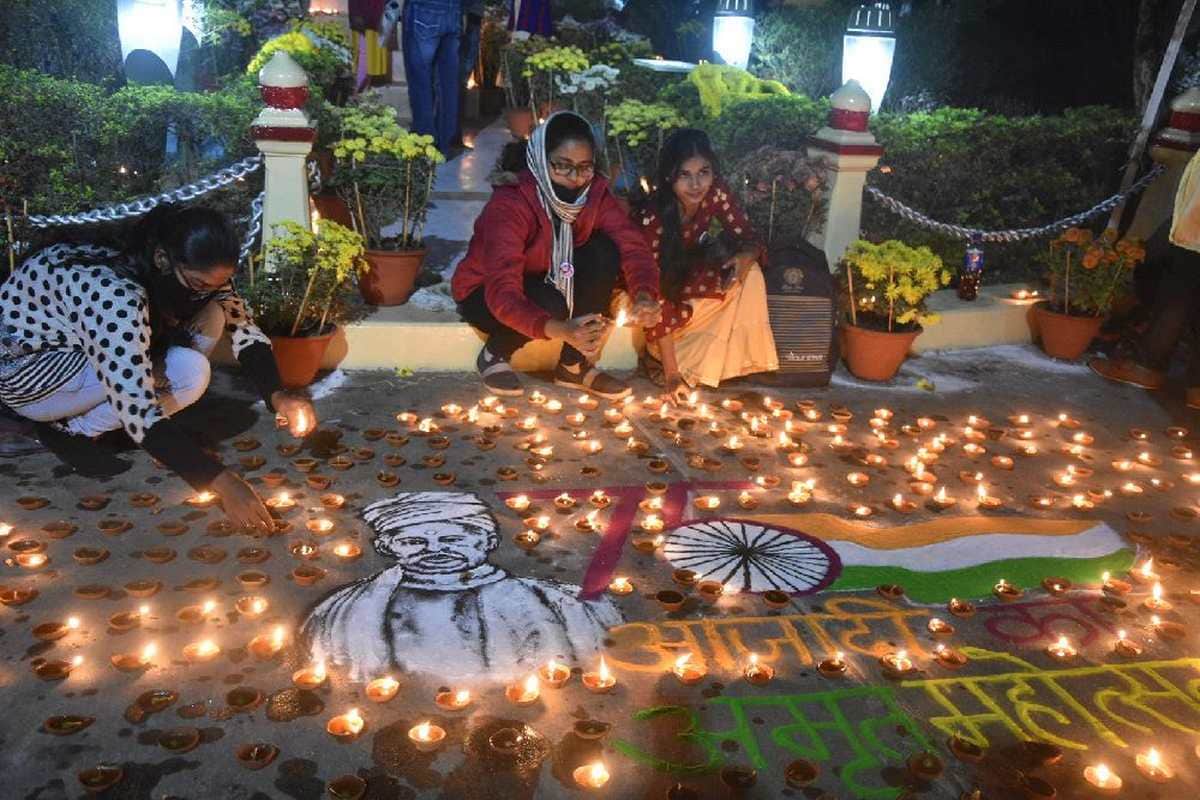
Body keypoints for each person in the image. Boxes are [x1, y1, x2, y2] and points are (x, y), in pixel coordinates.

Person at [0, 205, 315, 532]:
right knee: (188, 373)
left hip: (80, 350)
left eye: (215, 284)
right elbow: (138, 410)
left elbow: (243, 328)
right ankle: (70, 430)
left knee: (215, 314)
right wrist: (222, 482)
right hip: (29, 376)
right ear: (163, 260)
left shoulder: (181, 264)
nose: (205, 291)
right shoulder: (114, 293)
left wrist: (278, 396)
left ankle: (101, 425)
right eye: (196, 284)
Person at [301, 491, 623, 681]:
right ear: (387, 548)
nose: (435, 550)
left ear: (488, 541)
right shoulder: (341, 610)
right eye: (413, 541)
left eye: (452, 539)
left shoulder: (559, 603)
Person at [452, 111, 663, 399]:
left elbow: (632, 246)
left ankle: (573, 366)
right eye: (563, 167)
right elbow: (502, 290)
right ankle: (495, 352)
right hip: (486, 293)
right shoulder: (511, 203)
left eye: (585, 167)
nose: (576, 178)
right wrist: (561, 329)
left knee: (603, 251)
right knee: (553, 301)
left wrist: (644, 294)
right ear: (540, 158)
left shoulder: (595, 194)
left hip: (548, 277)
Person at [634, 128, 778, 399]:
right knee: (660, 299)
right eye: (685, 175)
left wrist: (746, 256)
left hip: (689, 276)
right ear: (669, 177)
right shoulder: (653, 217)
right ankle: (669, 362)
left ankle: (713, 365)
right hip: (654, 292)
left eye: (704, 172)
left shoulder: (716, 194)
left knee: (751, 273)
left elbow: (749, 236)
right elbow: (651, 289)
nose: (696, 184)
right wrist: (672, 375)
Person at [401, 0, 463, 153]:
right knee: (447, 83)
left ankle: (424, 143)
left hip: (423, 9)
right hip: (454, 9)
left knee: (420, 81)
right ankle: (444, 144)